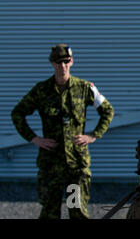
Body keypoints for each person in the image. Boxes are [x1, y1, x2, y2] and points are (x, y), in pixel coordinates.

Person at [11, 44, 114, 219]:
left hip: (75, 164)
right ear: (52, 63)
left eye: (66, 61)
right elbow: (18, 113)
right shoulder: (41, 90)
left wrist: (93, 136)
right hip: (51, 164)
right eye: (58, 62)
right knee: (50, 213)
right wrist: (35, 138)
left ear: (72, 62)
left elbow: (107, 110)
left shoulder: (84, 88)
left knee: (77, 211)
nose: (63, 66)